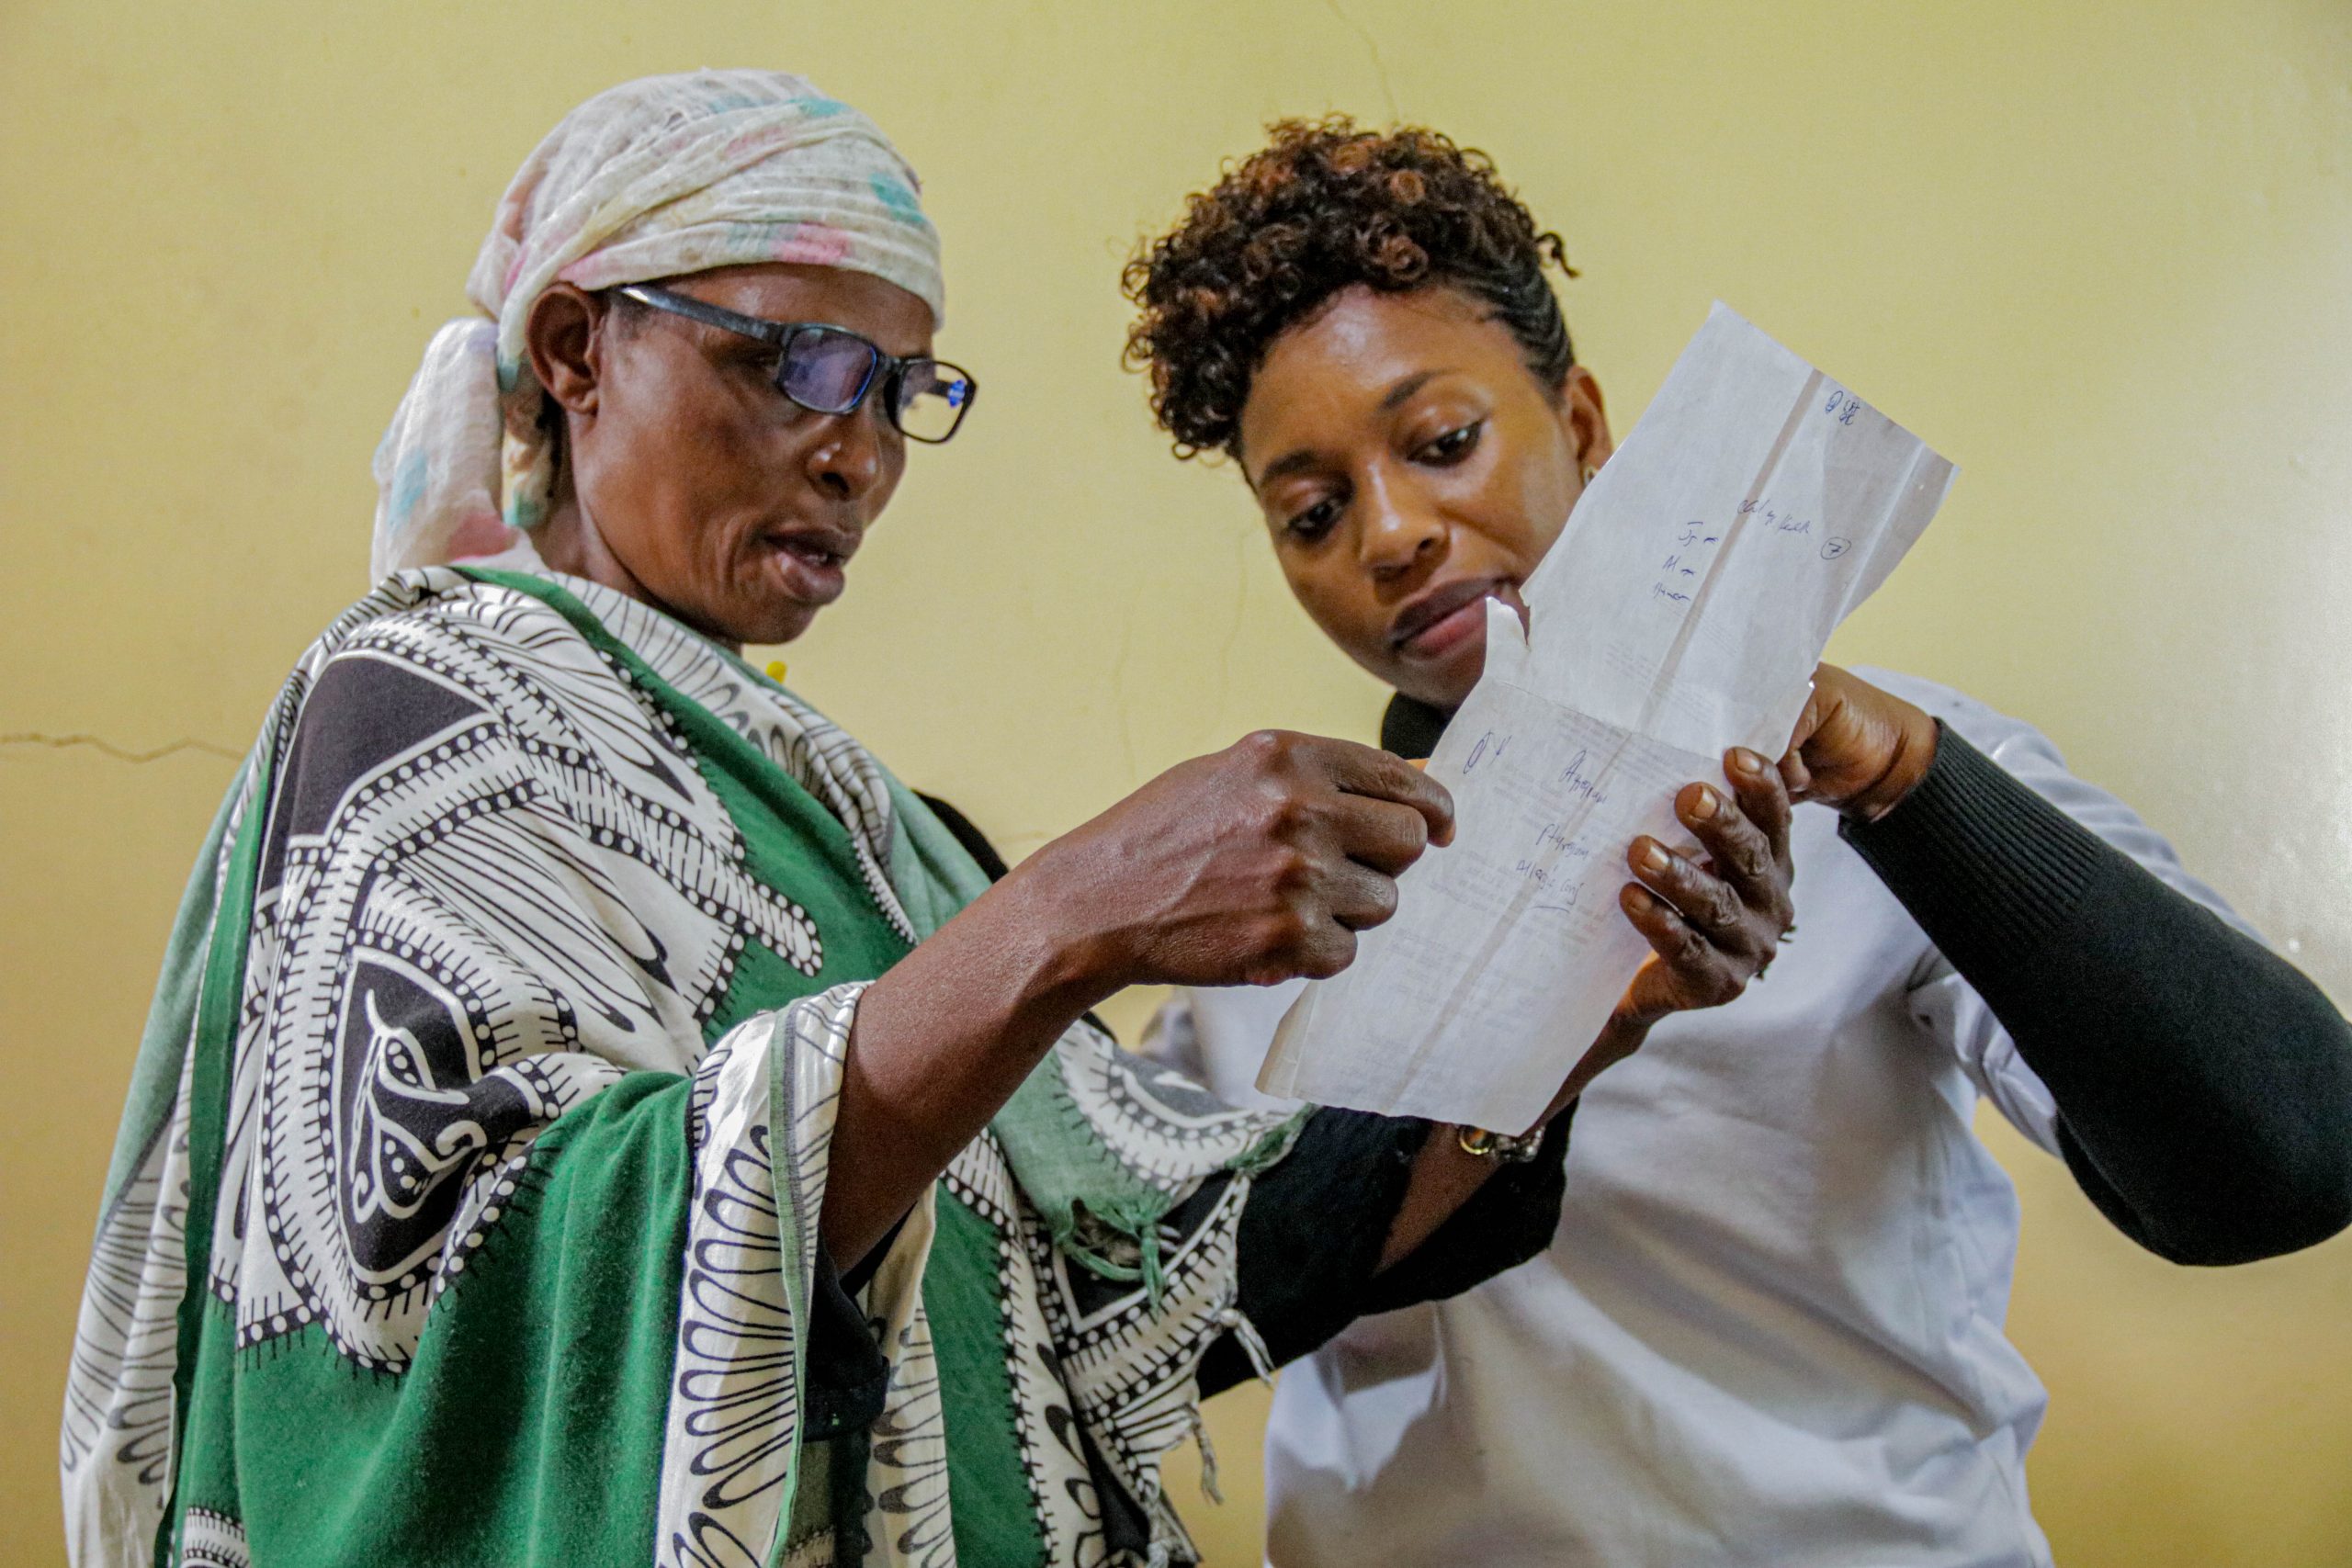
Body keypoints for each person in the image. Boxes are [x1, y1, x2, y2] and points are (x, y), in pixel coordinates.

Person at [60, 76, 1799, 1568]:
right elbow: (460, 1304)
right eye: (808, 366)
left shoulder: (878, 839)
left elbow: (1146, 1299)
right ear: (582, 349)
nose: (862, 454)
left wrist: (1594, 1007)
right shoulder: (421, 710)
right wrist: (1068, 915)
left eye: (904, 391)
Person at [1123, 118, 2352, 1567]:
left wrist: (1905, 782)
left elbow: (2285, 1161)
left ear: (1582, 425)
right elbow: (1159, 1321)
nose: (1392, 533)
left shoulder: (1879, 798)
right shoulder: (1267, 893)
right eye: (1313, 512)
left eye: (1443, 441)